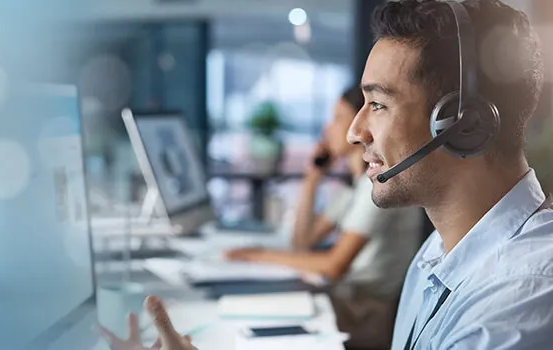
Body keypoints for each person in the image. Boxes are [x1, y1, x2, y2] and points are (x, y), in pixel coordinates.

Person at [96, 0, 553, 349]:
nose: (355, 132)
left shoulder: (514, 306)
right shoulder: (440, 251)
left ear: (462, 123)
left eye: (377, 104)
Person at [222, 85, 424, 348]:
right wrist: (312, 179)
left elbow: (333, 266)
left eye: (338, 118)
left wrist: (254, 255)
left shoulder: (376, 189)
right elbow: (302, 243)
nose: (329, 129)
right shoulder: (354, 187)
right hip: (349, 303)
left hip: (366, 315)